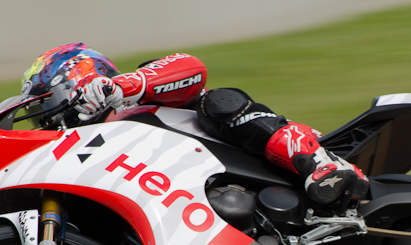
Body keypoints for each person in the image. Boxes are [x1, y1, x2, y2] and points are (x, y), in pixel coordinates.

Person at [20, 43, 369, 205]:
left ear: (75, 80)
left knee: (218, 102)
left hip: (269, 164)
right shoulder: (88, 152)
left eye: (45, 101)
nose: (45, 118)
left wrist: (125, 87)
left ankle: (321, 164)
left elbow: (192, 67)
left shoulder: (138, 98)